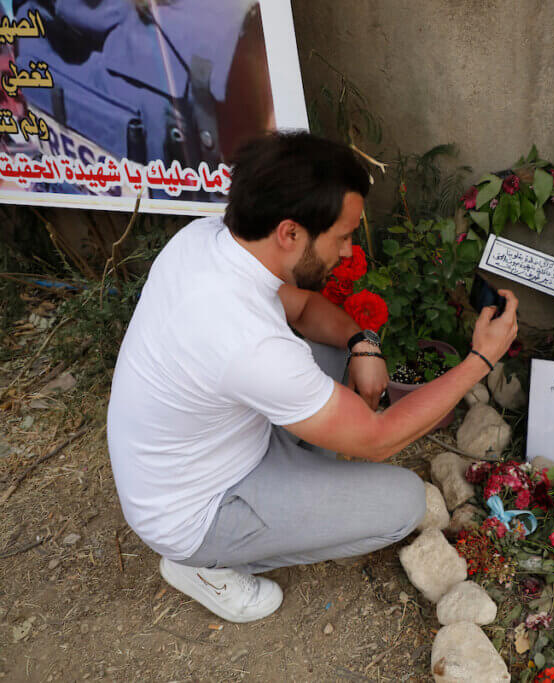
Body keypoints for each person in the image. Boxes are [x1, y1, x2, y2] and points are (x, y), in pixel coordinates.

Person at [106, 131, 519, 623]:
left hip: (204, 453)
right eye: (342, 237)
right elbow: (380, 439)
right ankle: (203, 564)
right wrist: (480, 359)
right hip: (197, 511)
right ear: (290, 233)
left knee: (331, 344)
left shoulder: (208, 241)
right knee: (404, 504)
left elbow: (300, 308)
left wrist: (364, 341)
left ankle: (301, 473)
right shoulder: (246, 340)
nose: (348, 253)